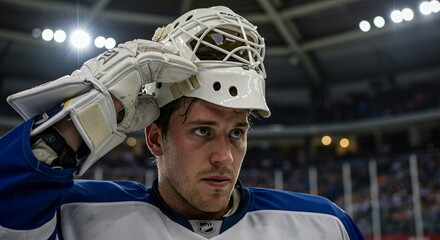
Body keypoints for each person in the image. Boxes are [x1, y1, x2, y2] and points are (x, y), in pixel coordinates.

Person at [0, 6, 365, 239]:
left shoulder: (324, 224)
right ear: (156, 139)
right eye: (203, 131)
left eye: (237, 133)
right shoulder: (74, 214)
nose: (224, 156)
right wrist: (95, 105)